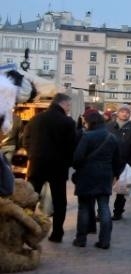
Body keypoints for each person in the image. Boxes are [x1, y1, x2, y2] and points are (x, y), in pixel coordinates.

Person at [21, 93, 76, 242]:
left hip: (37, 164)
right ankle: (57, 233)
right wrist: (68, 161)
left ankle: (26, 230)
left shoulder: (35, 119)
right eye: (69, 105)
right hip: (58, 166)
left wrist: (32, 154)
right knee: (59, 201)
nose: (69, 108)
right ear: (63, 104)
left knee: (31, 198)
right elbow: (72, 146)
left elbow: (25, 139)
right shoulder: (67, 122)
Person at [71, 109, 123, 249]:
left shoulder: (86, 137)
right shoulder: (112, 137)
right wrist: (115, 175)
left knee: (84, 208)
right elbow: (117, 161)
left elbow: (77, 159)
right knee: (104, 207)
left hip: (86, 176)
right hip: (105, 176)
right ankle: (104, 241)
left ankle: (81, 239)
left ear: (90, 122)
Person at [107, 104, 131, 220]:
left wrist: (130, 162)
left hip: (125, 162)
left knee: (121, 189)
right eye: (122, 111)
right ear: (117, 113)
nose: (125, 114)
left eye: (127, 112)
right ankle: (102, 212)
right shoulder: (109, 126)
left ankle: (118, 211)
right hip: (109, 162)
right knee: (106, 189)